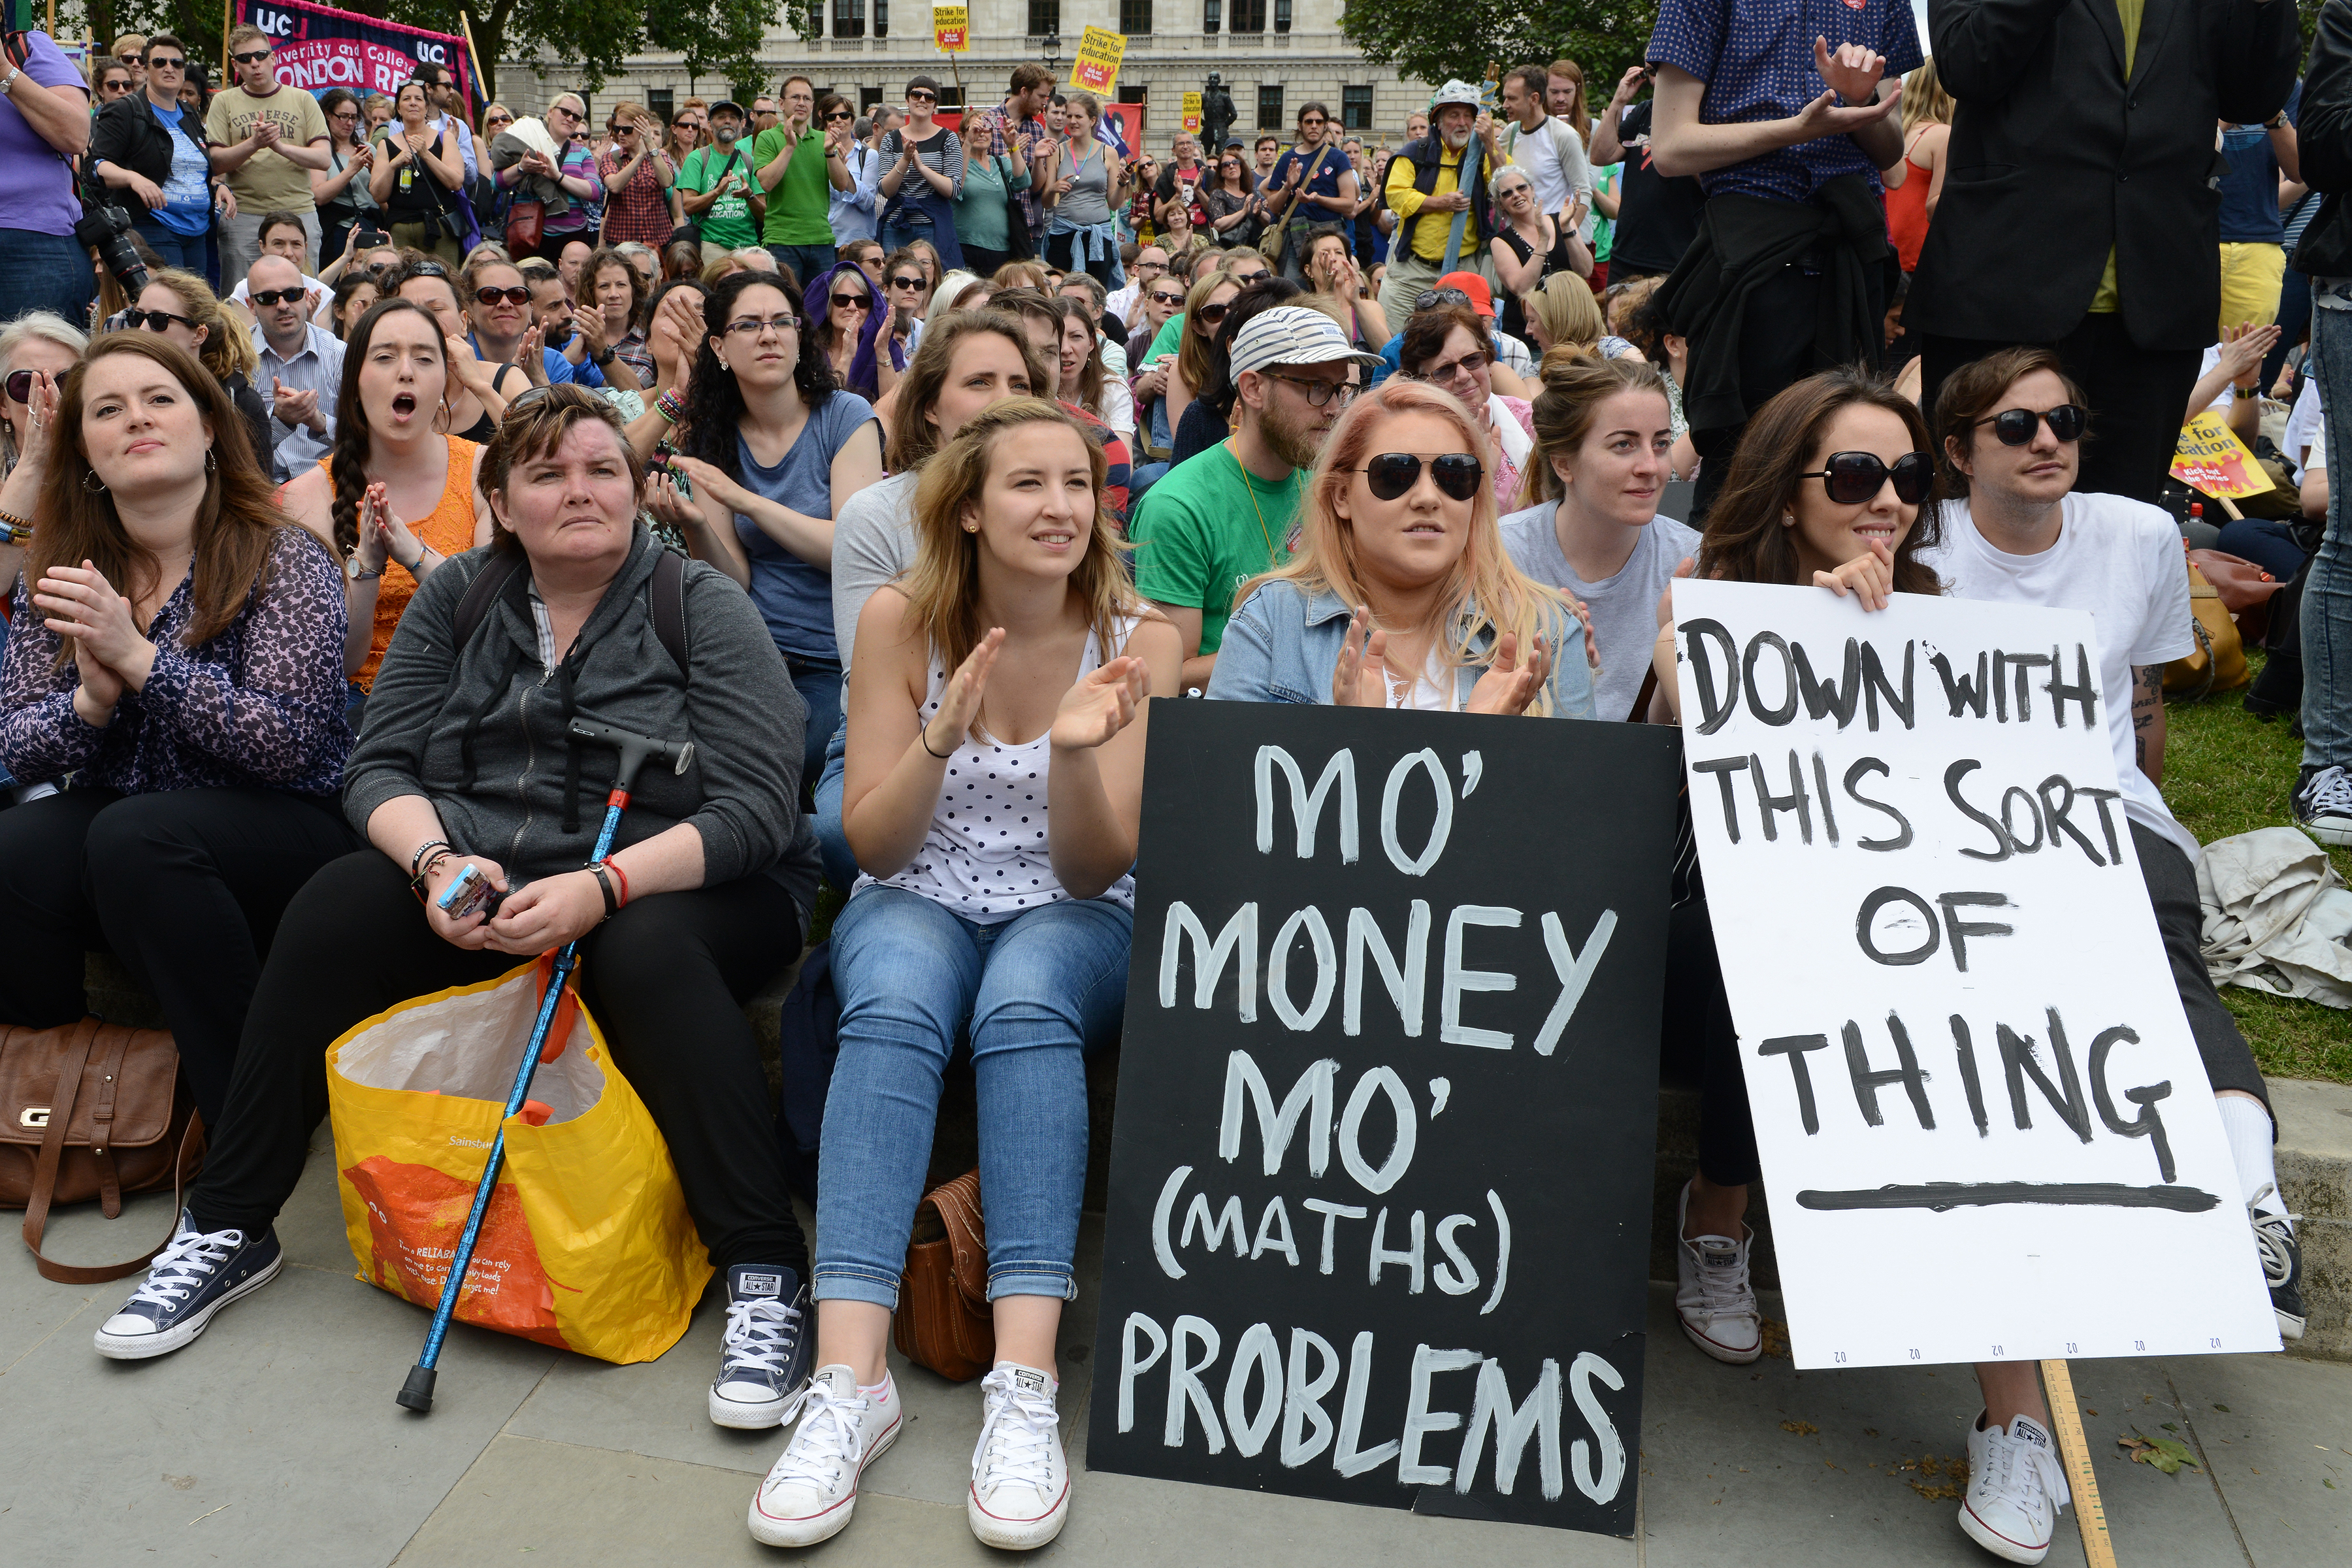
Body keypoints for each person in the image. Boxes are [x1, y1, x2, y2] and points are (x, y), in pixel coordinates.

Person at [93, 386, 828, 1456]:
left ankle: (764, 1270)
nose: (581, 490)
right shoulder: (460, 604)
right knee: (341, 900)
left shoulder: (697, 604)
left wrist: (604, 887)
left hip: (687, 883)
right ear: (502, 502)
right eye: (548, 473)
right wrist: (435, 860)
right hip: (488, 871)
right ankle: (229, 1221)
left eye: (602, 469)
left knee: (648, 951)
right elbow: (379, 763)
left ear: (634, 490)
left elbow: (760, 808)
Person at [750, 397, 1179, 1552]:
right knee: (887, 999)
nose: (1061, 508)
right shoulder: (901, 618)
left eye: (1079, 486)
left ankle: (1024, 1385)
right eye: (1030, 485)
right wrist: (942, 736)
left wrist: (1080, 752)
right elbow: (877, 848)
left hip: (1075, 910)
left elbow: (1096, 870)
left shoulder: (1139, 636)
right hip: (920, 890)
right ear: (973, 511)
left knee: (1026, 1000)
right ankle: (851, 1384)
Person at [1918, 346, 2306, 1559]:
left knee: (2155, 946)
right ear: (1961, 448)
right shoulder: (1918, 547)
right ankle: (2017, 1424)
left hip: (2100, 820)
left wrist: (2148, 813)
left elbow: (2136, 698)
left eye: (2067, 420)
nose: (2051, 440)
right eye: (2020, 424)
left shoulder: (2137, 536)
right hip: (1950, 847)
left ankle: (2250, 1198)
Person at [0, 333, 353, 1137]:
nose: (137, 419)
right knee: (15, 848)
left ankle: (251, 1128)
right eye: (108, 409)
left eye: (160, 400)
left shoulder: (281, 553)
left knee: (136, 834)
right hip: (133, 829)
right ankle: (59, 1090)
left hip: (289, 827)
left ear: (207, 429)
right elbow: (16, 742)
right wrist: (90, 706)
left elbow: (290, 741)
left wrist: (142, 662)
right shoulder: (61, 567)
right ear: (85, 452)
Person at [1908, 0, 2296, 504]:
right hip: (2002, 289)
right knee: (1971, 519)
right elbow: (1966, 63)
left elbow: (2252, 98)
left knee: (2122, 527)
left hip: (2158, 294)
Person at [1644, 0, 1916, 523]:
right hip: (1753, 261)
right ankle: (1727, 601)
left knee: (1843, 469)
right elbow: (1672, 147)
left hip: (1849, 260)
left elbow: (1891, 152)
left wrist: (1861, 104)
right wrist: (1796, 128)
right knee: (1741, 476)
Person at [813, 310, 1056, 887]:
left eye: (1019, 385)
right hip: (898, 726)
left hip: (1036, 727)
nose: (1004, 401)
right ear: (928, 406)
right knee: (838, 835)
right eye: (979, 383)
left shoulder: (1059, 506)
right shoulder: (877, 515)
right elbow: (866, 680)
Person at [1207, 374, 1591, 718]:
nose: (1428, 497)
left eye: (1454, 474)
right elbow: (1225, 788)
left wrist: (1485, 745)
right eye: (1395, 474)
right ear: (1341, 495)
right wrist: (1347, 738)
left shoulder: (1548, 631)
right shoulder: (1271, 621)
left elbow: (1577, 794)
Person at [659, 270, 883, 785]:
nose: (769, 334)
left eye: (783, 322)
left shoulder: (845, 417)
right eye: (750, 325)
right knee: (696, 764)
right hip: (752, 650)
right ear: (718, 346)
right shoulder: (713, 435)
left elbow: (851, 549)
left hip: (835, 656)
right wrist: (697, 526)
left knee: (779, 761)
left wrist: (746, 502)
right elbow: (733, 581)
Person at [1130, 304, 1377, 690]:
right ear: (1253, 388)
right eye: (1315, 388)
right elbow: (1168, 672)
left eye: (1341, 390)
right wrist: (1290, 649)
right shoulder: (1178, 508)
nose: (1333, 410)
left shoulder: (1329, 482)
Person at [275, 297, 485, 717]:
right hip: (360, 710)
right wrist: (367, 568)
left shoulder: (485, 471)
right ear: (354, 379)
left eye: (425, 359)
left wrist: (416, 557)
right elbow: (336, 662)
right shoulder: (305, 497)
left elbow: (495, 617)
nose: (406, 371)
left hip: (471, 700)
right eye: (385, 357)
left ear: (446, 379)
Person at [1500, 354, 1696, 721]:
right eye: (1624, 444)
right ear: (1563, 464)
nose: (1650, 467)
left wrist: (1672, 646)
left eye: (1661, 443)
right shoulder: (1501, 556)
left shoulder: (1694, 561)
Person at [87, 33, 220, 277]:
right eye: (160, 62)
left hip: (198, 230)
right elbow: (96, 166)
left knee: (196, 308)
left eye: (177, 63)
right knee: (167, 306)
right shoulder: (126, 109)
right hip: (154, 226)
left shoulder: (189, 112)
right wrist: (133, 179)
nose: (169, 68)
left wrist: (218, 188)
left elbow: (193, 166)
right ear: (146, 69)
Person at [1377, 82, 1509, 325]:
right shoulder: (1415, 152)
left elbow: (1507, 183)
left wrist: (1491, 141)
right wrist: (1439, 203)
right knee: (1392, 338)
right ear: (1438, 120)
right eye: (1454, 115)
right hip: (1411, 270)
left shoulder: (1483, 154)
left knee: (1461, 340)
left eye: (1469, 115)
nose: (1462, 123)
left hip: (1463, 270)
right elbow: (1395, 195)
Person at [206, 27, 331, 279]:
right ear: (235, 64)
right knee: (241, 298)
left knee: (302, 291)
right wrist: (254, 144)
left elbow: (323, 159)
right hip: (243, 215)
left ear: (273, 58)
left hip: (298, 211)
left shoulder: (303, 99)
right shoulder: (223, 101)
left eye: (261, 55)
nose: (255, 63)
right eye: (245, 58)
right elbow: (216, 163)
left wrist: (279, 146)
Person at [131, 267, 274, 471]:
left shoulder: (239, 402)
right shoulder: (119, 393)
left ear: (199, 335)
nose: (143, 329)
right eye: (136, 318)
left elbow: (258, 490)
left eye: (158, 320)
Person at [1398, 302, 1536, 507]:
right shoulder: (1409, 445)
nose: (1463, 376)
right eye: (1445, 370)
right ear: (1421, 383)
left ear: (1488, 361)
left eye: (1472, 360)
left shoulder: (1531, 421)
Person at [1587, 66, 1708, 289]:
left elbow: (1709, 181)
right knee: (1616, 323)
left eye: (1659, 69)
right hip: (1627, 253)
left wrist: (1675, 136)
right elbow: (1600, 156)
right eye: (1650, 71)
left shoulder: (1705, 114)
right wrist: (1619, 101)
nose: (1655, 77)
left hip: (1677, 257)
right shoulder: (1644, 111)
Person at [246, 253, 344, 482]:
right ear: (251, 305)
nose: (283, 305)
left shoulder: (340, 356)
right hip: (259, 490)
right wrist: (278, 421)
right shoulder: (235, 360)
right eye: (269, 298)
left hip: (328, 486)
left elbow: (365, 439)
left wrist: (321, 423)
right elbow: (229, 446)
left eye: (292, 294)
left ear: (306, 296)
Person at [391, 259, 510, 442]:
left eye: (436, 309)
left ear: (464, 322)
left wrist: (480, 387)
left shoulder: (505, 380)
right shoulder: (383, 383)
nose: (425, 319)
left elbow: (539, 452)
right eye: (408, 310)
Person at [755, 76, 847, 286]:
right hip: (783, 240)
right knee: (786, 307)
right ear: (781, 103)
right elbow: (766, 183)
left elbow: (842, 185)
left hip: (821, 240)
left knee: (820, 310)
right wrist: (789, 147)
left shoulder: (824, 139)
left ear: (813, 105)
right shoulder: (768, 138)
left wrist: (830, 152)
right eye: (795, 97)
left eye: (807, 98)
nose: (801, 103)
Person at [1263, 101, 1363, 289]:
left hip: (1330, 234)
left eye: (1319, 121)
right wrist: (1288, 186)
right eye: (1309, 122)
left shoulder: (1337, 157)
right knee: (1293, 288)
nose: (1314, 126)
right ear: (1300, 125)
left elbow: (1349, 204)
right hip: (1295, 237)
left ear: (1326, 125)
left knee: (1334, 286)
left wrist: (1317, 199)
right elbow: (1274, 207)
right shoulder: (1287, 159)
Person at [1489, 164, 1592, 345]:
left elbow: (1585, 271)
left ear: (1532, 189)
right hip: (1529, 335)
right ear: (1500, 204)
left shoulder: (1561, 220)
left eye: (1522, 187)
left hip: (1572, 326)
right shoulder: (1501, 242)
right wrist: (1543, 240)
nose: (1516, 195)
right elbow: (1521, 289)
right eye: (1507, 193)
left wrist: (1567, 228)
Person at [368, 80, 466, 265]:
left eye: (418, 99)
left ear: (426, 107)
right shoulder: (386, 145)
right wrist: (392, 166)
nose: (413, 103)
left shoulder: (445, 138)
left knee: (445, 282)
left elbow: (456, 182)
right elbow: (377, 195)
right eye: (406, 99)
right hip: (400, 229)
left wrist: (425, 154)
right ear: (398, 108)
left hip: (439, 229)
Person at [877, 77, 964, 272]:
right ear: (907, 101)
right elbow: (885, 189)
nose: (922, 100)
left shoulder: (948, 138)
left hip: (933, 224)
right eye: (916, 94)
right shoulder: (891, 139)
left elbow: (953, 189)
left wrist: (921, 167)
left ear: (936, 106)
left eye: (929, 97)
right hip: (897, 223)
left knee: (933, 281)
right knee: (893, 279)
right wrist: (905, 160)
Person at [1498, 63, 1592, 241]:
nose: (1505, 105)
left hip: (1554, 239)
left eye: (1512, 99)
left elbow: (1584, 194)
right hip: (1518, 241)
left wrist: (1564, 238)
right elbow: (1497, 176)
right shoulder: (1511, 132)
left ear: (1533, 99)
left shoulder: (1563, 135)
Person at [1041, 91, 1124, 286]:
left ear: (1092, 120)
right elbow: (1047, 203)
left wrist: (1122, 184)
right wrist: (1053, 189)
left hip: (1097, 238)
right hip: (1063, 235)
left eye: (1079, 116)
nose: (1072, 121)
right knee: (1059, 290)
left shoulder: (1108, 153)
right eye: (1069, 116)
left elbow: (1114, 204)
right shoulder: (1057, 151)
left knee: (1095, 292)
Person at [1880, 59, 1952, 276]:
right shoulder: (1943, 135)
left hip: (1890, 251)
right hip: (1919, 258)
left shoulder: (1896, 135)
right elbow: (1936, 209)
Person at [953, 93, 1030, 281]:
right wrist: (968, 143)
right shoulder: (958, 162)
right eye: (975, 129)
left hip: (1001, 250)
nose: (982, 133)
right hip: (967, 248)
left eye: (987, 128)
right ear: (962, 135)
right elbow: (956, 187)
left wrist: (1012, 145)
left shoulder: (1000, 163)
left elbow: (1023, 181)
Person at [680, 99, 766, 257]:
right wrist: (717, 192)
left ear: (741, 125)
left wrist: (750, 196)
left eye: (733, 118)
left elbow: (763, 214)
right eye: (721, 117)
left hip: (748, 247)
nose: (728, 121)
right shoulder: (697, 159)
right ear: (710, 125)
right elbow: (688, 206)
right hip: (712, 246)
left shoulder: (750, 162)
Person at [805, 259, 898, 401]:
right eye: (842, 300)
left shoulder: (884, 346)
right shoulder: (810, 350)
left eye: (862, 301)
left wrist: (882, 351)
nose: (853, 307)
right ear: (829, 309)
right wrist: (846, 357)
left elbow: (892, 408)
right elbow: (826, 405)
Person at [596, 103, 683, 250]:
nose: (621, 134)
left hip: (657, 242)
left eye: (627, 130)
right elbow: (614, 186)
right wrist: (640, 156)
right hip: (620, 242)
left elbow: (667, 181)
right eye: (618, 129)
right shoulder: (611, 158)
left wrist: (650, 146)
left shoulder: (660, 155)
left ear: (641, 130)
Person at [529, 95, 604, 259]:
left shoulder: (582, 152)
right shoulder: (529, 143)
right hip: (531, 232)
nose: (570, 118)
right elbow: (498, 182)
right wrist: (521, 168)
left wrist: (558, 176)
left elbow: (594, 191)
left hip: (573, 236)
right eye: (565, 112)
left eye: (576, 117)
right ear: (550, 112)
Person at [310, 87, 378, 267]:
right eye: (343, 116)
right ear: (328, 115)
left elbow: (383, 198)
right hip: (339, 232)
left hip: (370, 229)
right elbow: (319, 196)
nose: (349, 123)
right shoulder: (320, 151)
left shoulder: (368, 149)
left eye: (354, 117)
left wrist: (376, 172)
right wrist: (351, 170)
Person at [1299, 225, 1391, 352]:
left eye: (1339, 252)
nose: (1333, 258)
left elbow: (1388, 354)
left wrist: (1356, 303)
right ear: (1309, 271)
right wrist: (1326, 293)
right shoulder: (1303, 313)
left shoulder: (1369, 307)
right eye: (1324, 254)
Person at [1056, 299, 1130, 446]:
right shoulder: (1028, 388)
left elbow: (1122, 463)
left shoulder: (1113, 389)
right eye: (1056, 337)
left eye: (1076, 337)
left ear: (1091, 343)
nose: (1065, 349)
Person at [585, 244, 653, 384]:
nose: (614, 294)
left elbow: (637, 398)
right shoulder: (575, 332)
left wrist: (602, 352)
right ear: (592, 293)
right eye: (604, 286)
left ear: (633, 290)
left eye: (621, 285)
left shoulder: (650, 338)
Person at [1202, 149, 1266, 250]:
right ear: (1221, 172)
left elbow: (1268, 221)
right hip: (1231, 250)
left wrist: (1259, 213)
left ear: (1241, 166)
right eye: (1226, 165)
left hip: (1255, 249)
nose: (1231, 166)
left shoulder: (1251, 192)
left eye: (1235, 163)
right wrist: (1243, 212)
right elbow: (1218, 224)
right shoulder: (1218, 194)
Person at [329, 269, 381, 338]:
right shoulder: (328, 348)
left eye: (375, 305)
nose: (370, 311)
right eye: (361, 305)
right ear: (339, 312)